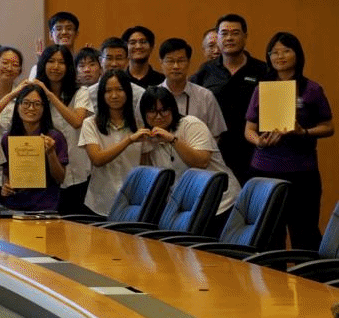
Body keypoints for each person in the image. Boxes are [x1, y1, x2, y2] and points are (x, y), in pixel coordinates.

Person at [244, 33, 333, 250]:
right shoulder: (262, 89)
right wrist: (259, 141)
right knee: (268, 234)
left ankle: (309, 272)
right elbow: (249, 129)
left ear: (298, 55)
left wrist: (304, 131)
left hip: (301, 172)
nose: (280, 56)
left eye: (286, 51)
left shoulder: (312, 89)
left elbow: (328, 127)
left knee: (305, 233)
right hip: (264, 169)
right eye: (274, 52)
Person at [137, 86, 239, 235]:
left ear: (172, 109)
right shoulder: (149, 138)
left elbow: (201, 162)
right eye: (152, 111)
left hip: (221, 204)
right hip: (187, 208)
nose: (158, 116)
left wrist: (172, 139)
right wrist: (140, 145)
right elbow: (147, 178)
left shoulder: (191, 124)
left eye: (164, 110)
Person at [192, 13, 267, 184]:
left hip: (254, 152)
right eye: (224, 33)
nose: (229, 38)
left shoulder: (262, 70)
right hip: (216, 152)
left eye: (235, 33)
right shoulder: (206, 71)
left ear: (245, 37)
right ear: (218, 38)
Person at [78, 70, 149, 216]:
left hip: (132, 203)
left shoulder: (140, 124)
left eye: (119, 90)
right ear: (101, 95)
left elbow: (144, 166)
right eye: (108, 91)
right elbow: (97, 159)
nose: (114, 95)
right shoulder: (91, 123)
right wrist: (129, 140)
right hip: (99, 203)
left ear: (128, 92)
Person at [32, 45, 92, 214]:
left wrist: (50, 95)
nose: (56, 67)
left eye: (61, 62)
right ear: (43, 64)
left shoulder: (81, 92)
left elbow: (76, 121)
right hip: (48, 173)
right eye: (51, 61)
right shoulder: (36, 95)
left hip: (79, 170)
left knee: (77, 223)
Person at [0, 85, 67, 212]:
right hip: (14, 206)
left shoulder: (54, 137)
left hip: (44, 208)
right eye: (26, 103)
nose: (31, 108)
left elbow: (60, 178)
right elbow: (7, 174)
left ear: (44, 108)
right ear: (18, 106)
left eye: (37, 104)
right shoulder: (7, 138)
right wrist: (6, 187)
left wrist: (51, 153)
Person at [156, 38, 226, 139]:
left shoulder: (205, 96)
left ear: (189, 62)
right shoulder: (150, 96)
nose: (176, 66)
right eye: (170, 61)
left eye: (181, 61)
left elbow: (216, 134)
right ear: (161, 62)